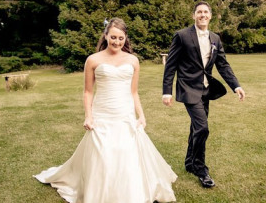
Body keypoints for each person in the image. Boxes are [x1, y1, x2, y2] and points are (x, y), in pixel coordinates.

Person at [34, 17, 177, 203]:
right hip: (102, 114)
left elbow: (134, 92)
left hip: (124, 114)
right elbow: (87, 91)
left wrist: (141, 115)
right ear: (106, 36)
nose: (116, 42)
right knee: (103, 155)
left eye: (121, 38)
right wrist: (88, 116)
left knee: (126, 154)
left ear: (126, 38)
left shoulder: (133, 61)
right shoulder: (93, 60)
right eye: (113, 37)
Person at [162, 1, 245, 188]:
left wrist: (236, 86)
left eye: (205, 12)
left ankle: (190, 163)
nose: (202, 15)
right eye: (199, 12)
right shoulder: (182, 36)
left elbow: (222, 64)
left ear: (210, 15)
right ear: (194, 15)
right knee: (202, 128)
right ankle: (201, 169)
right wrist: (166, 91)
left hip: (205, 90)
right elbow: (171, 65)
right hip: (188, 88)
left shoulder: (215, 38)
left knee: (196, 128)